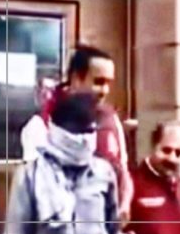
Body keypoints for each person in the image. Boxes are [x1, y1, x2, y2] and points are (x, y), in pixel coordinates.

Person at [0, 92, 133, 234]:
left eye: (90, 131)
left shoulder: (103, 174)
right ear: (59, 130)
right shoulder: (31, 177)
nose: (84, 139)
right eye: (78, 131)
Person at [33, 45, 134, 220]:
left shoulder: (110, 118)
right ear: (76, 79)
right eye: (98, 82)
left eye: (109, 83)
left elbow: (123, 171)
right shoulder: (43, 123)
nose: (105, 91)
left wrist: (124, 204)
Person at [20, 75, 58, 162]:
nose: (49, 96)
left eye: (53, 91)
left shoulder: (62, 125)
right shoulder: (34, 126)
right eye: (45, 91)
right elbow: (32, 163)